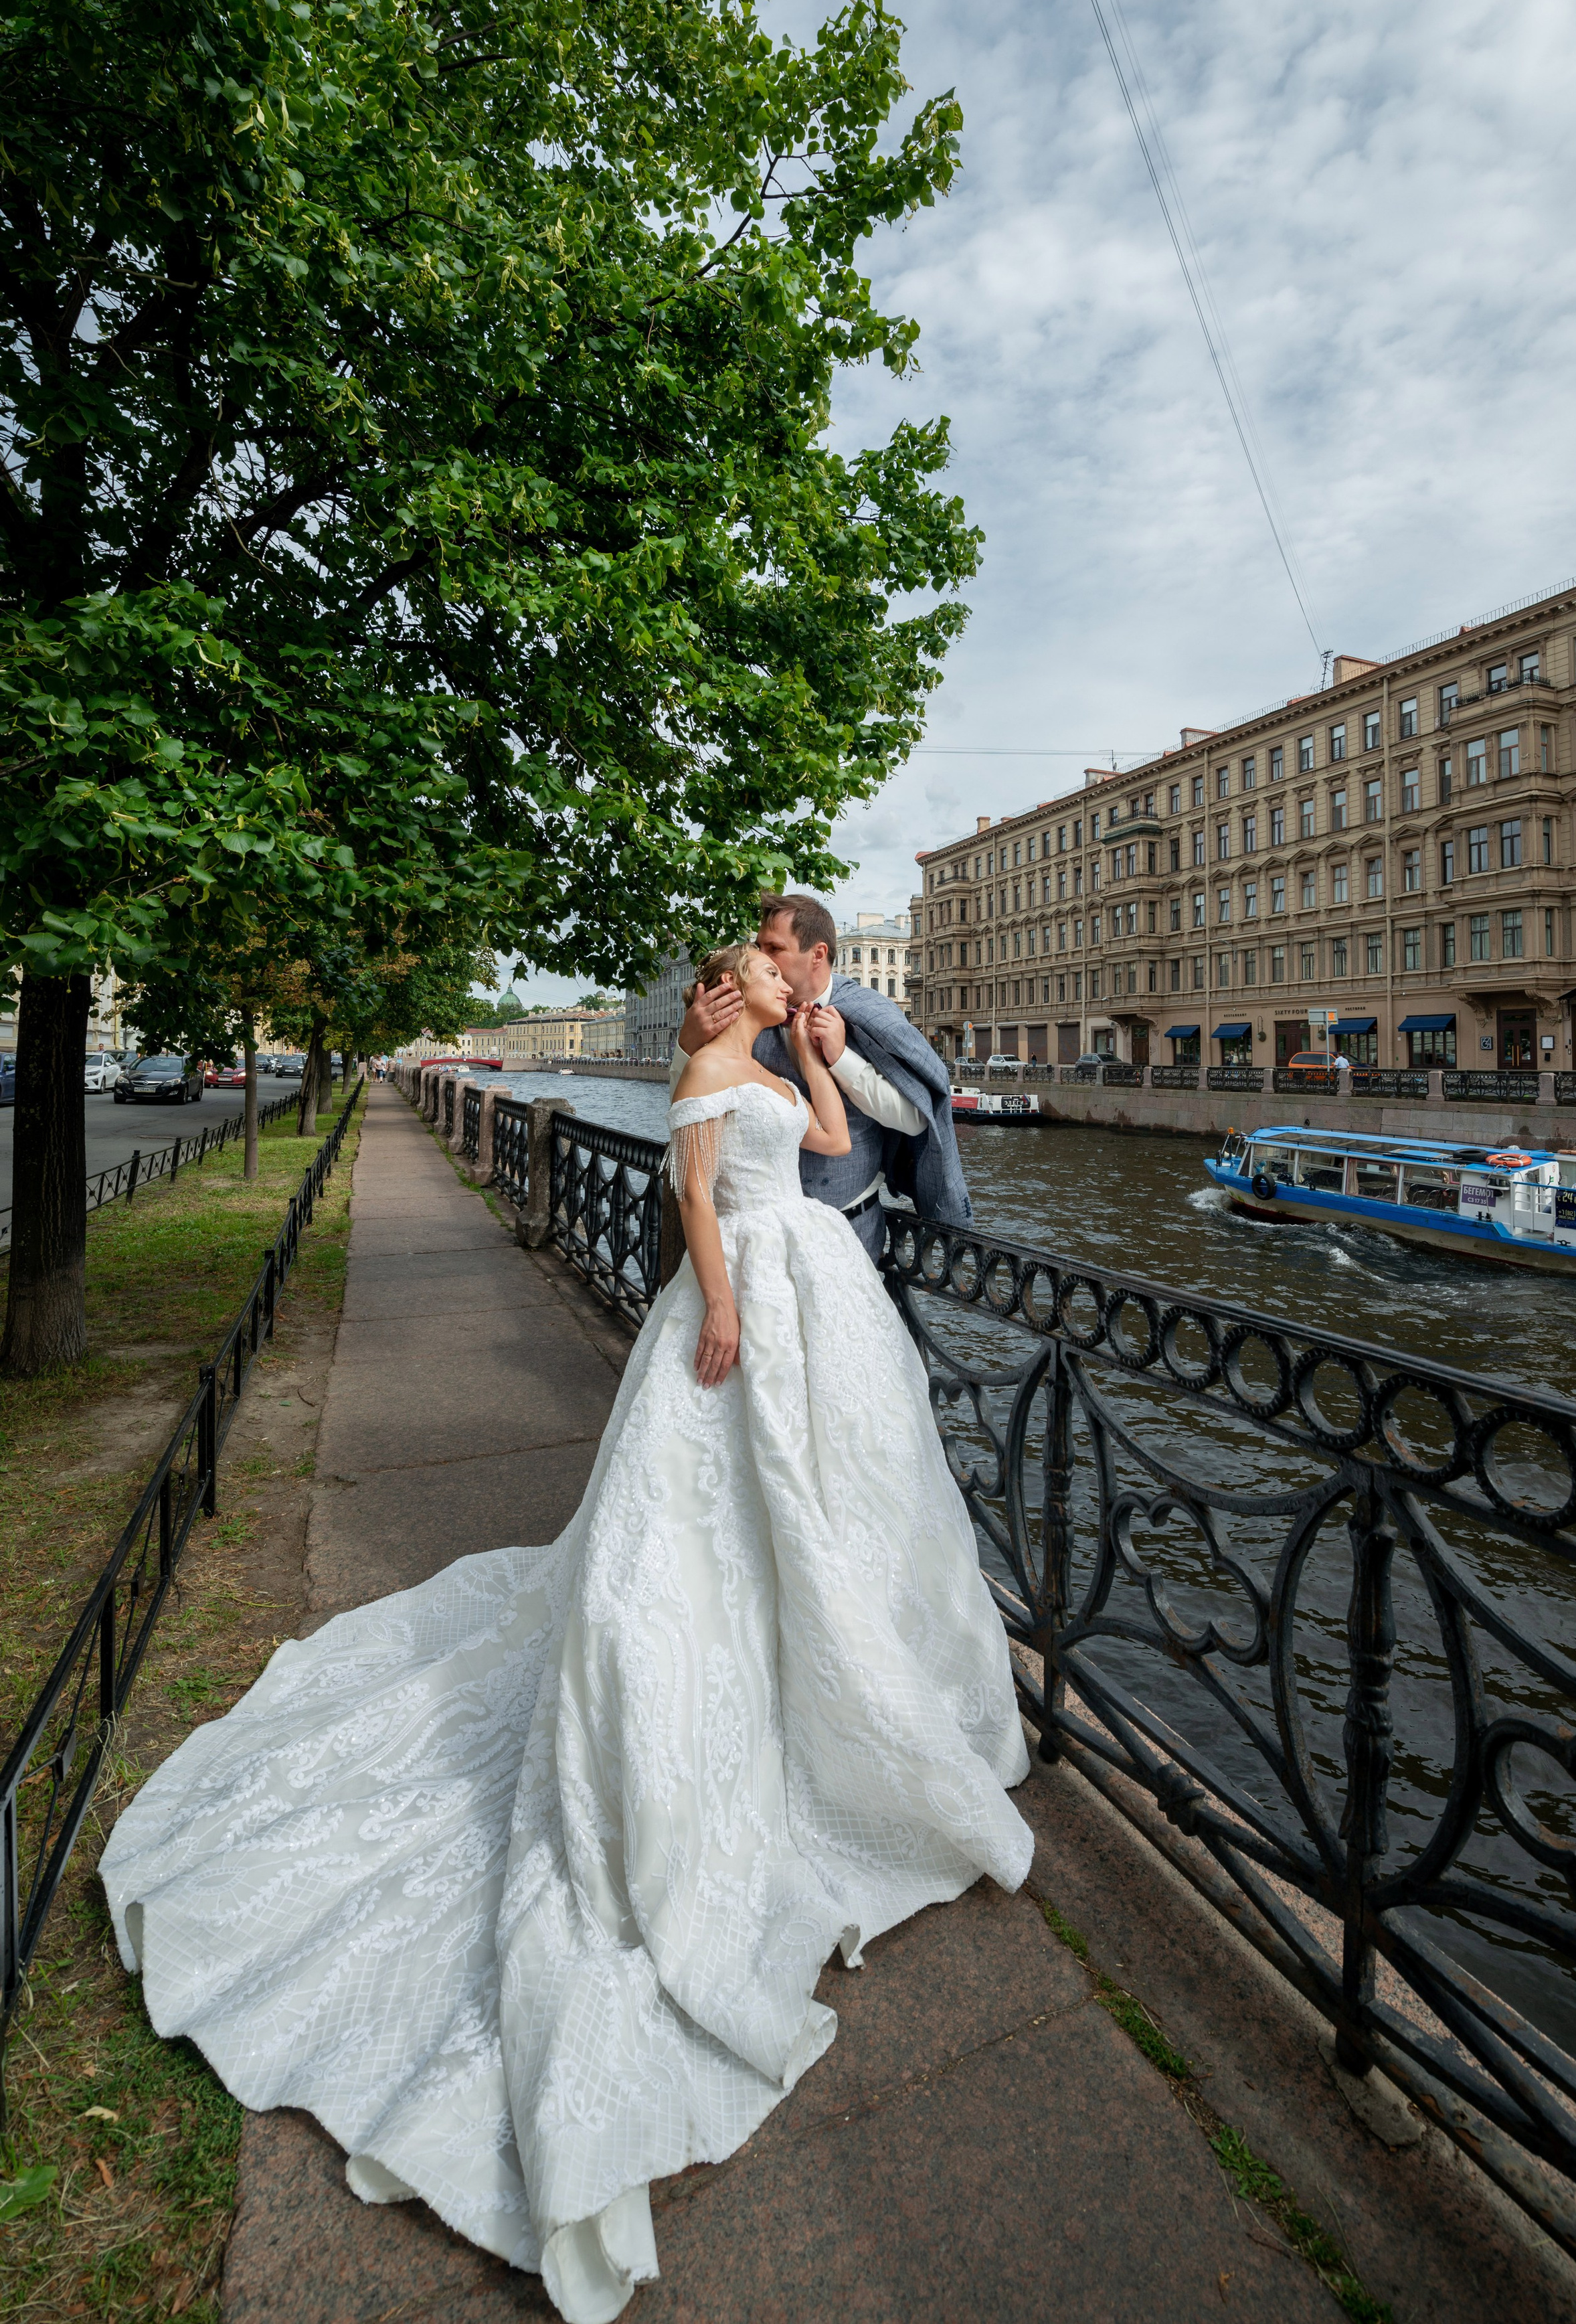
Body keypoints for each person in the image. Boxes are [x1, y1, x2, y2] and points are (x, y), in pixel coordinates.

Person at [100, 940, 1031, 2324]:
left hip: (822, 1293)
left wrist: (827, 1059)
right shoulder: (712, 1067)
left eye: (786, 973)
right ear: (738, 992)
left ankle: (827, 1678)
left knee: (835, 1514)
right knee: (707, 1524)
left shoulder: (787, 1056)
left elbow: (838, 1144)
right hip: (745, 1303)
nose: (785, 982)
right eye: (770, 976)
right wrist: (713, 1300)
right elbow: (695, 1197)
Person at [675, 891, 970, 1261]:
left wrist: (841, 1057)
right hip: (759, 1239)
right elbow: (689, 1113)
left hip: (852, 1231)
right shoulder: (742, 1015)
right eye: (760, 947)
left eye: (775, 948)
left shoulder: (868, 1012)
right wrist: (687, 1045)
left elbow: (915, 1120)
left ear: (817, 954)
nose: (764, 957)